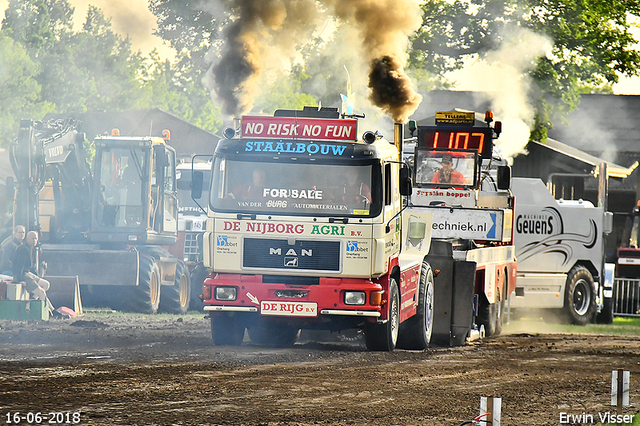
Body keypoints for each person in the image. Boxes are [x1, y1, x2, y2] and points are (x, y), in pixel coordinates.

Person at [12, 230, 51, 303]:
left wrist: (37, 276)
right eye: (32, 238)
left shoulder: (32, 248)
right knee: (42, 293)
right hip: (23, 274)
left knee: (46, 284)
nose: (34, 240)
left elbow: (31, 267)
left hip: (28, 272)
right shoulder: (23, 249)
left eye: (35, 238)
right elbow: (19, 266)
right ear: (27, 239)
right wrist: (20, 280)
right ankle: (42, 311)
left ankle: (34, 298)